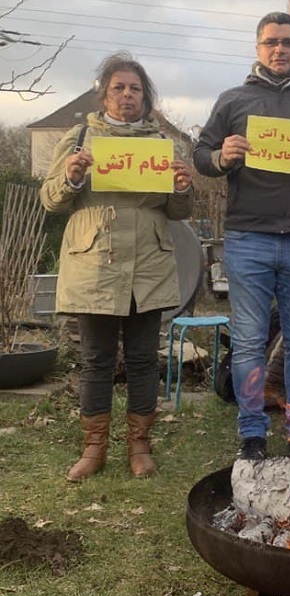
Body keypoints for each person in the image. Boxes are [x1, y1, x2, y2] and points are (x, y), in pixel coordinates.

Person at [193, 12, 290, 461]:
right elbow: (200, 154)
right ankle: (252, 434)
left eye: (287, 42)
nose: (279, 49)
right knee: (248, 341)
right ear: (258, 49)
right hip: (248, 239)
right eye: (270, 42)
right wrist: (221, 157)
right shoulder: (232, 101)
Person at [40, 52, 194, 481]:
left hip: (148, 264)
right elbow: (50, 200)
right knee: (96, 360)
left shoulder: (162, 144)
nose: (127, 96)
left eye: (136, 89)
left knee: (144, 360)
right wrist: (70, 176)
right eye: (119, 88)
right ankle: (94, 448)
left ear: (146, 97)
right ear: (103, 93)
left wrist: (182, 187)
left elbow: (178, 210)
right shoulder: (78, 138)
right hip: (96, 264)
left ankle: (140, 447)